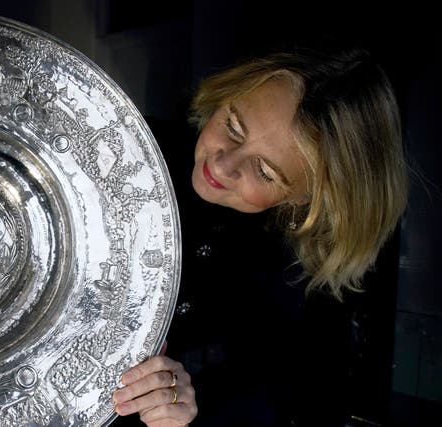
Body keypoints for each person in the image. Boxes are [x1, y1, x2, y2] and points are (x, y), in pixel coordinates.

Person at [111, 43, 408, 426]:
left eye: (265, 172)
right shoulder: (125, 145)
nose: (223, 162)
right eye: (233, 127)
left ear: (309, 201)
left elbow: (271, 400)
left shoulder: (296, 295)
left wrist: (184, 410)